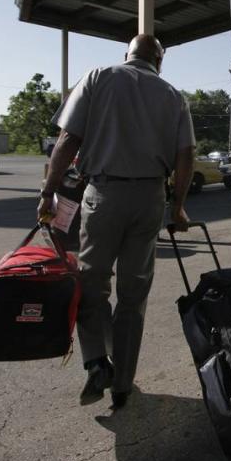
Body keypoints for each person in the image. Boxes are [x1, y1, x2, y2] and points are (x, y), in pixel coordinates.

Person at [37, 34, 195, 409]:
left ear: (127, 54)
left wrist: (49, 190)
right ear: (160, 61)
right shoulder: (174, 96)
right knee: (133, 294)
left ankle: (96, 362)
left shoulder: (97, 77)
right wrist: (178, 208)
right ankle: (123, 381)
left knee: (92, 283)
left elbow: (67, 140)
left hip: (104, 195)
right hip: (150, 198)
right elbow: (186, 155)